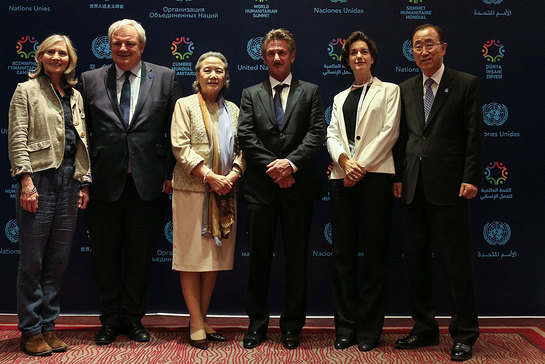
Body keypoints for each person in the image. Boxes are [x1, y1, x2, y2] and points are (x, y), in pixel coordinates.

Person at [79, 19, 181, 345]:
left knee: (139, 256)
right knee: (105, 257)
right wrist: (83, 179)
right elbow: (80, 135)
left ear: (142, 46)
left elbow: (173, 132)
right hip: (103, 183)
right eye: (117, 44)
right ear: (109, 45)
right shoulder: (90, 80)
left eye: (130, 44)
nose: (123, 49)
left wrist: (168, 174)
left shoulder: (165, 78)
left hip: (148, 184)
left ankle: (134, 318)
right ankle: (110, 319)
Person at [392, 24, 483, 362]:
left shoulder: (465, 84)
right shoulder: (404, 88)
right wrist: (399, 177)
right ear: (411, 52)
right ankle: (424, 328)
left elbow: (474, 136)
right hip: (413, 187)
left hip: (451, 187)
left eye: (430, 44)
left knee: (456, 263)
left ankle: (464, 334)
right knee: (415, 263)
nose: (424, 51)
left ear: (443, 48)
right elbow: (401, 139)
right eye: (418, 46)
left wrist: (470, 177)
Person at [238, 28, 326, 350]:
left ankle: (292, 326)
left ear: (292, 55)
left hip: (298, 188)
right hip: (261, 190)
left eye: (282, 52)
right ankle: (257, 325)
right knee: (258, 260)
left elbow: (316, 135)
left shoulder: (312, 92)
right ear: (263, 57)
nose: (276, 57)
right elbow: (246, 136)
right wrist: (275, 168)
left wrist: (289, 165)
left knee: (296, 260)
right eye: (271, 53)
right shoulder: (250, 94)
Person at [8, 34, 91, 356]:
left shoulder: (74, 95)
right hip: (39, 180)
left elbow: (80, 140)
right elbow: (17, 138)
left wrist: (84, 182)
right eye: (51, 52)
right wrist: (25, 182)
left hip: (70, 180)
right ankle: (30, 330)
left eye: (63, 53)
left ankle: (48, 326)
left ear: (70, 60)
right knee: (33, 261)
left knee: (57, 261)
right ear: (41, 57)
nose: (57, 57)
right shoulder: (25, 91)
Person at [326, 31, 400, 352]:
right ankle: (345, 327)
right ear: (347, 59)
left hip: (375, 180)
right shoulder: (339, 98)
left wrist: (360, 167)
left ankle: (370, 329)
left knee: (373, 256)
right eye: (353, 52)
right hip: (342, 179)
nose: (358, 56)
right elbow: (331, 135)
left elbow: (389, 133)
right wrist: (345, 161)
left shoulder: (390, 91)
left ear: (373, 57)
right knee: (343, 256)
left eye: (364, 52)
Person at [170, 52, 244, 350]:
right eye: (207, 70)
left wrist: (234, 175)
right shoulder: (184, 105)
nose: (213, 75)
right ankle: (196, 321)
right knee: (191, 258)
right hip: (192, 190)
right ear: (197, 75)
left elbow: (243, 148)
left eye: (219, 71)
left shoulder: (236, 110)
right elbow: (180, 146)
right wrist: (210, 176)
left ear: (226, 77)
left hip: (226, 191)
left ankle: (201, 317)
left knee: (213, 258)